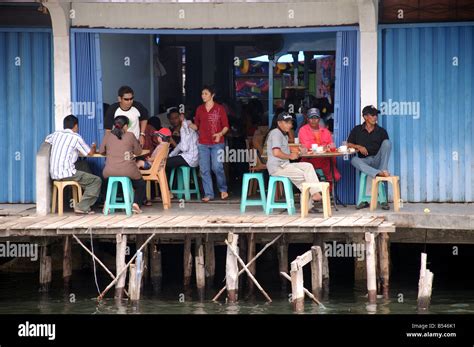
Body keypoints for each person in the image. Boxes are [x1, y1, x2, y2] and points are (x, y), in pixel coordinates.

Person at [45, 115, 101, 215]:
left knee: (83, 166)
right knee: (96, 181)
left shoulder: (56, 134)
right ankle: (82, 206)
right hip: (67, 173)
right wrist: (93, 147)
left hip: (54, 173)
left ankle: (85, 201)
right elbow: (90, 154)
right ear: (75, 126)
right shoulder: (75, 137)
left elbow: (46, 140)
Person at [266, 112, 322, 207]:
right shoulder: (276, 133)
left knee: (308, 166)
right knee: (304, 176)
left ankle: (314, 193)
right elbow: (276, 153)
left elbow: (284, 149)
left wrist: (298, 151)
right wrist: (290, 156)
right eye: (286, 122)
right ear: (279, 123)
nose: (289, 125)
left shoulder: (284, 135)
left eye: (290, 123)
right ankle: (309, 203)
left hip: (284, 165)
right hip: (277, 167)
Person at [347, 105, 392, 210]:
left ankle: (382, 170)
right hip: (364, 161)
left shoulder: (381, 131)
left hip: (377, 160)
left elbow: (386, 147)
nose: (375, 117)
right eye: (372, 115)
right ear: (365, 117)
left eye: (376, 115)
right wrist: (359, 146)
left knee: (387, 143)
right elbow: (348, 144)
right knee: (353, 160)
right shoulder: (357, 130)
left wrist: (381, 166)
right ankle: (378, 174)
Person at [190, 85, 229, 202]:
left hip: (217, 143)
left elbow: (226, 126)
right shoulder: (199, 109)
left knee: (217, 167)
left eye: (206, 94)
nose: (203, 96)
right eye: (202, 94)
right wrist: (188, 124)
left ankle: (223, 189)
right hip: (203, 143)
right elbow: (197, 126)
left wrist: (220, 134)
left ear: (212, 95)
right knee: (204, 169)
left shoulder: (220, 109)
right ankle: (209, 194)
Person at [100, 116, 146, 214]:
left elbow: (101, 151)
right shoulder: (130, 135)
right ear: (125, 126)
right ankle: (136, 204)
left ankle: (106, 204)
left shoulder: (108, 135)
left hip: (109, 171)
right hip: (128, 170)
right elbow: (138, 152)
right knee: (140, 184)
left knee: (105, 184)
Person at [298, 108, 341, 188]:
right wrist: (323, 147)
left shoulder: (326, 131)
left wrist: (330, 147)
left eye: (316, 118)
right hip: (309, 161)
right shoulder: (303, 130)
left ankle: (326, 195)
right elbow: (306, 146)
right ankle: (315, 194)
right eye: (311, 118)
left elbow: (330, 146)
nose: (314, 120)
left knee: (334, 176)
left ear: (319, 119)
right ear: (307, 119)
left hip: (324, 160)